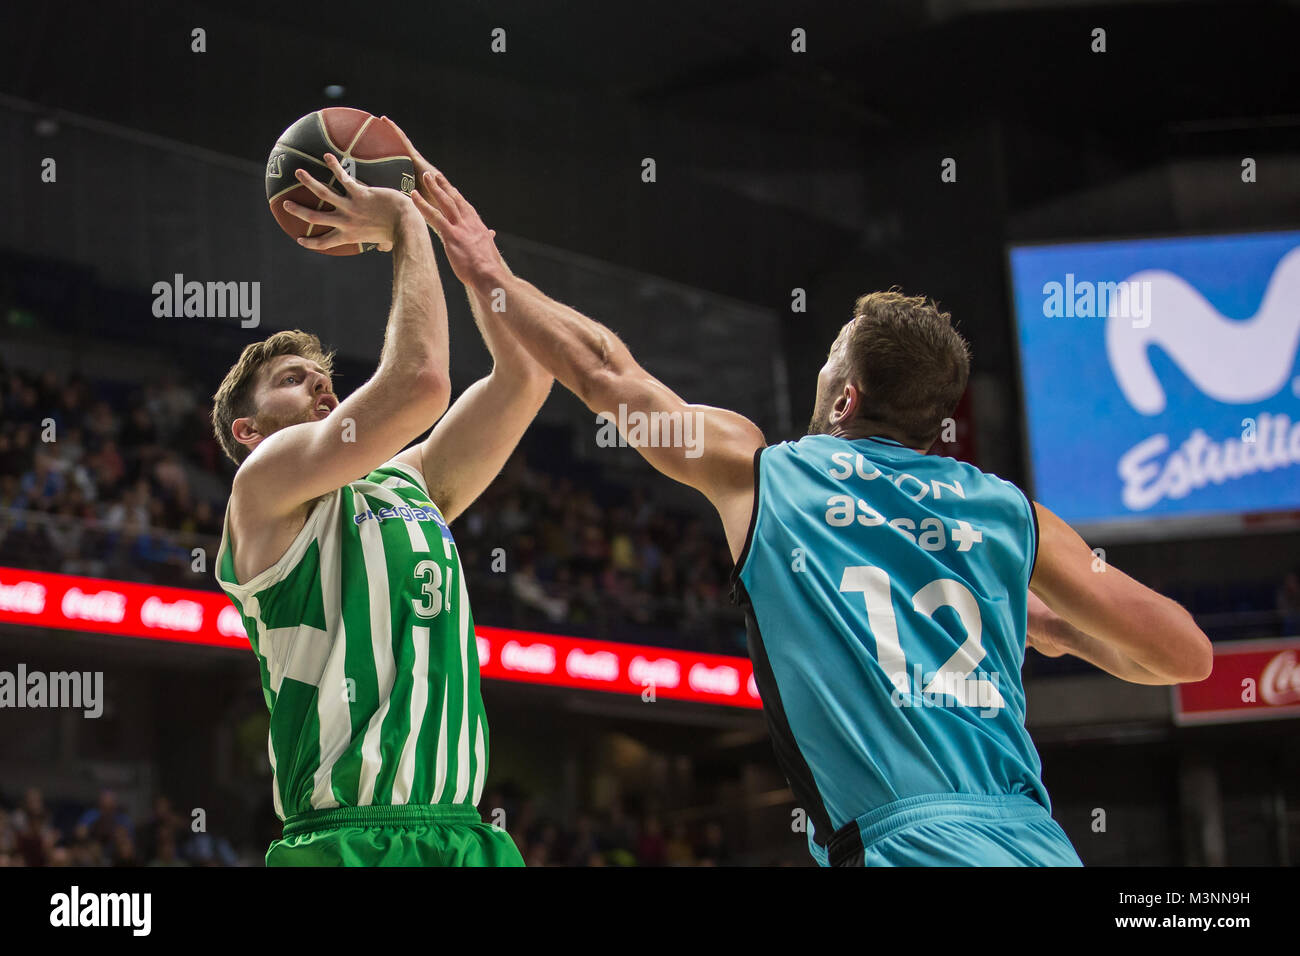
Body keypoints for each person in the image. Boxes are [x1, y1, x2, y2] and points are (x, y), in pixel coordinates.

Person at [407, 166, 1214, 867]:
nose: (824, 362)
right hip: (1036, 840)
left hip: (908, 846)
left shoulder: (767, 474)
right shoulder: (1007, 511)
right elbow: (1185, 655)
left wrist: (488, 271)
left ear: (846, 396)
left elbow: (604, 371)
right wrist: (1058, 628)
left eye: (833, 351)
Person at [210, 131, 551, 867]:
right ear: (247, 428)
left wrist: (480, 265)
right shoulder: (262, 486)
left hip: (467, 838)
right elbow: (423, 383)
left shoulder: (409, 481)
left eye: (324, 374)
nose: (322, 384)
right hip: (349, 840)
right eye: (296, 379)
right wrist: (402, 222)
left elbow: (526, 372)